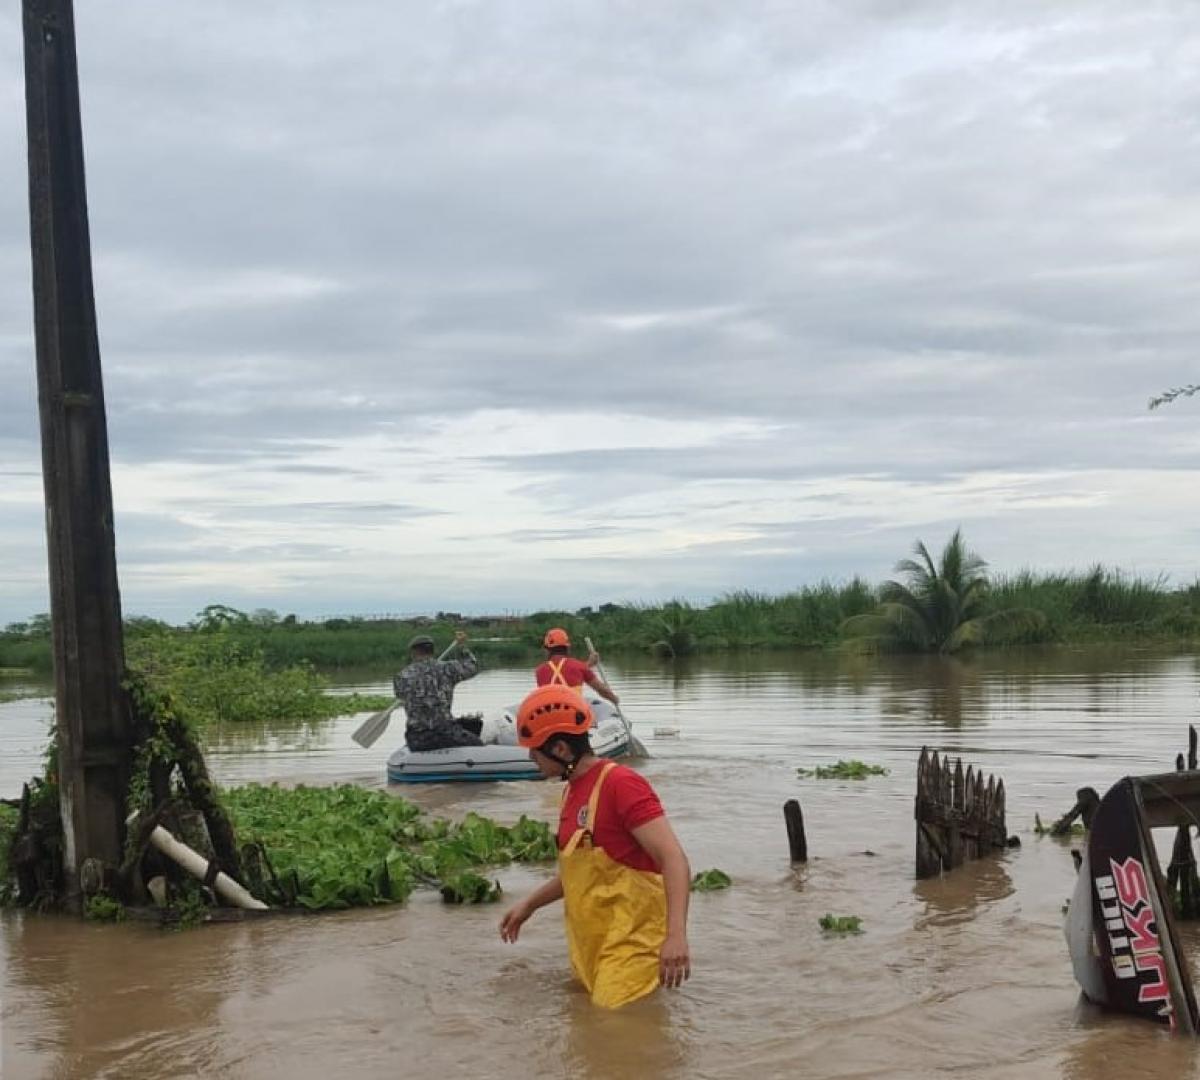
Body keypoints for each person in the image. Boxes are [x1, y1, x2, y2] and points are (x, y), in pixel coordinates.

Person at [499, 685, 691, 1009]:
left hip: (631, 944)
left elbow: (674, 860)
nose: (531, 758)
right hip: (591, 945)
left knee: (616, 1037)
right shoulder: (572, 792)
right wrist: (529, 905)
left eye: (535, 751)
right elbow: (585, 872)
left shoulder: (621, 784)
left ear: (560, 749)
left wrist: (676, 936)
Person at [393, 630, 481, 752]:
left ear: (413, 652)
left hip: (417, 738)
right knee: (478, 745)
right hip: (446, 734)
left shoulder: (401, 677)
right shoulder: (449, 668)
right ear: (433, 651)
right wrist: (462, 646)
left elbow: (401, 696)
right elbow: (473, 666)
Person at [534, 627, 619, 706]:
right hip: (574, 715)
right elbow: (602, 690)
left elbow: (564, 673)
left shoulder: (539, 671)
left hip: (548, 716)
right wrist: (614, 699)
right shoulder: (579, 667)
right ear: (567, 648)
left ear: (547, 650)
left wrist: (588, 664)